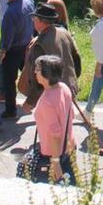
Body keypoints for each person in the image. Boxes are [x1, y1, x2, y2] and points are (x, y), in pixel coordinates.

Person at [20, 4, 81, 113]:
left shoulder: (40, 44)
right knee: (64, 124)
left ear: (42, 21)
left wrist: (30, 102)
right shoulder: (64, 33)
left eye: (35, 18)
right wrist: (72, 80)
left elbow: (38, 77)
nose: (33, 21)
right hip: (68, 89)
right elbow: (77, 59)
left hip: (51, 95)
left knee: (51, 128)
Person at [31, 54, 76, 184]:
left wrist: (55, 162)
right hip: (68, 147)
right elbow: (70, 115)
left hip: (53, 154)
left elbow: (55, 134)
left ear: (46, 74)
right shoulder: (64, 88)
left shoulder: (47, 101)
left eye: (38, 69)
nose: (35, 72)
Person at [0, 0, 34, 119]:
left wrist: (3, 52)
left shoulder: (10, 12)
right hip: (27, 47)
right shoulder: (29, 4)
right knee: (30, 77)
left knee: (9, 81)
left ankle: (10, 110)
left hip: (13, 51)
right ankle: (32, 102)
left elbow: (8, 35)